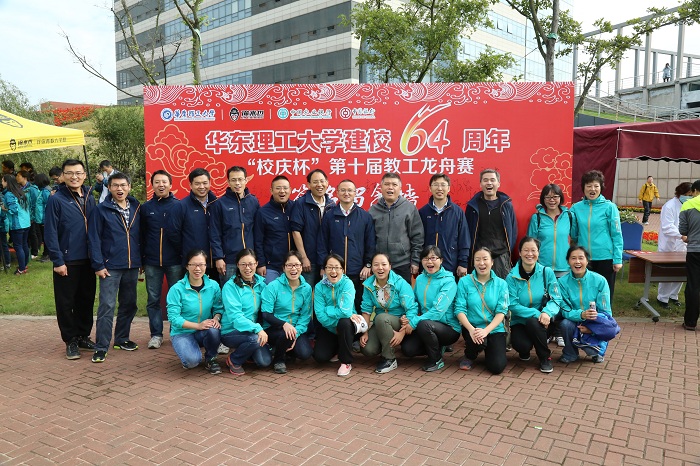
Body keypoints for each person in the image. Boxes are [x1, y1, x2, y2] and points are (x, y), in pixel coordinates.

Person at [43, 159, 96, 359]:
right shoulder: (56, 199)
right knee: (66, 302)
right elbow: (50, 232)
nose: (74, 177)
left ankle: (83, 335)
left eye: (78, 173)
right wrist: (58, 261)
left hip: (89, 259)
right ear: (63, 176)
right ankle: (70, 340)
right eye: (70, 173)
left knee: (86, 300)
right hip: (67, 260)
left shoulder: (90, 196)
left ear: (84, 175)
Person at [88, 172, 142, 363]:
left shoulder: (136, 207)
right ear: (109, 188)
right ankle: (101, 346)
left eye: (123, 185)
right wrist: (98, 264)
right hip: (110, 267)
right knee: (107, 306)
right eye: (115, 185)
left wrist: (140, 261)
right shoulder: (101, 210)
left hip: (132, 265)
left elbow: (141, 235)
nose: (120, 189)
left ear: (129, 187)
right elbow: (94, 239)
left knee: (129, 304)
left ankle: (121, 338)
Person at [317, 179, 376, 315]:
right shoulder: (329, 216)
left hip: (357, 271)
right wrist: (323, 266)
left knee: (358, 303)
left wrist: (368, 264)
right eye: (343, 190)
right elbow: (322, 243)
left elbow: (370, 243)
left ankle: (358, 328)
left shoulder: (364, 216)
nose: (346, 193)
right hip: (334, 271)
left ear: (355, 193)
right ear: (337, 193)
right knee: (334, 304)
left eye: (350, 190)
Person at [506, 237, 563, 373]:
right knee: (522, 345)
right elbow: (512, 304)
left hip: (544, 322)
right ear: (520, 252)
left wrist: (547, 312)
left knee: (533, 323)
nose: (530, 254)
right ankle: (525, 350)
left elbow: (556, 298)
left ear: (538, 252)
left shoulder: (546, 272)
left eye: (533, 250)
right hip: (520, 321)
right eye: (526, 250)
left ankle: (545, 358)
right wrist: (537, 313)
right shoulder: (511, 277)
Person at [140, 170, 183, 349]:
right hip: (151, 262)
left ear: (170, 184)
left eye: (164, 182)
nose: (161, 185)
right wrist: (141, 259)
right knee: (153, 299)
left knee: (176, 299)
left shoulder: (179, 206)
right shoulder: (146, 208)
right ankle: (156, 335)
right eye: (157, 182)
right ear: (152, 185)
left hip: (175, 262)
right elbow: (141, 235)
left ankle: (176, 332)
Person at [401, 245, 461, 372]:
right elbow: (415, 303)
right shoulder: (420, 279)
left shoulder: (449, 281)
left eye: (433, 258)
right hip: (426, 324)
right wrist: (409, 318)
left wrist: (414, 322)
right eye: (426, 258)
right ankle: (436, 346)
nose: (429, 262)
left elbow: (437, 312)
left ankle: (436, 359)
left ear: (441, 260)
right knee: (408, 349)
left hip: (448, 328)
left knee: (424, 325)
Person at [359, 252, 418, 374]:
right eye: (376, 265)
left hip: (400, 321)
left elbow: (412, 309)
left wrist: (402, 332)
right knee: (368, 349)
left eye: (384, 264)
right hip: (381, 323)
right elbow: (366, 310)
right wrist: (365, 332)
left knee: (381, 318)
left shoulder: (400, 283)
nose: (380, 268)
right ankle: (386, 342)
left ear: (390, 266)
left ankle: (389, 358)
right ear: (372, 267)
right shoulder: (368, 285)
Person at [166, 249, 223, 374]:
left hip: (204, 330)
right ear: (187, 266)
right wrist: (198, 325)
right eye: (193, 265)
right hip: (182, 333)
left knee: (214, 329)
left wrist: (216, 318)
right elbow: (174, 318)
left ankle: (211, 359)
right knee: (192, 362)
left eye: (201, 264)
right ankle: (189, 349)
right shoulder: (177, 289)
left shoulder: (213, 286)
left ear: (206, 266)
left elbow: (218, 308)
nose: (198, 269)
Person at [455, 247, 509, 374]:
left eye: (485, 259)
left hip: (494, 329)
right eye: (477, 259)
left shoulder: (501, 284)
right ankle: (470, 355)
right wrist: (471, 329)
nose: (481, 263)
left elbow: (501, 312)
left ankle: (489, 349)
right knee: (478, 340)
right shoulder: (464, 282)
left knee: (497, 367)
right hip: (473, 327)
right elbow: (459, 309)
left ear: (492, 262)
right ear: (473, 262)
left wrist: (486, 331)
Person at [570, 170, 623, 298]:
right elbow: (574, 234)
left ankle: (605, 312)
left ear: (601, 187)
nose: (592, 189)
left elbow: (616, 235)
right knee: (585, 293)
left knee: (604, 293)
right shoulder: (576, 208)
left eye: (596, 186)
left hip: (605, 258)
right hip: (584, 258)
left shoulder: (609, 207)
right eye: (589, 186)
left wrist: (617, 259)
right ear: (583, 188)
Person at [557, 246, 614, 363]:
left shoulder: (600, 280)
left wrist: (592, 328)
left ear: (587, 260)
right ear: (568, 261)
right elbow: (565, 310)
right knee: (565, 324)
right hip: (574, 319)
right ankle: (570, 353)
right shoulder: (562, 282)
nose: (577, 261)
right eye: (573, 258)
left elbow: (605, 312)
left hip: (595, 320)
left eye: (581, 258)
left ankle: (598, 351)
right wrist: (581, 315)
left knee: (608, 328)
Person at [220, 248, 271, 375]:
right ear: (237, 265)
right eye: (243, 264)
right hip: (231, 330)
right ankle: (234, 360)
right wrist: (258, 329)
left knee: (264, 362)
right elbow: (235, 317)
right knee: (254, 340)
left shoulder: (262, 284)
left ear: (256, 264)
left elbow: (266, 310)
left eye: (251, 264)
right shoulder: (230, 286)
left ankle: (248, 353)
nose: (247, 268)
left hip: (252, 330)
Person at [261, 251, 313, 374]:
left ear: (301, 267)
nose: (293, 269)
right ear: (284, 268)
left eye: (297, 265)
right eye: (289, 265)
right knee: (286, 334)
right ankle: (278, 360)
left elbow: (305, 316)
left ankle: (284, 349)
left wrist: (296, 333)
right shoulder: (273, 286)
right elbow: (266, 314)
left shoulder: (306, 288)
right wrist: (284, 324)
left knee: (305, 353)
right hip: (274, 328)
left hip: (295, 329)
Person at [313, 254, 362, 376]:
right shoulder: (319, 287)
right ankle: (338, 349)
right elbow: (320, 315)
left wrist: (327, 309)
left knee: (344, 322)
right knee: (320, 357)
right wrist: (335, 325)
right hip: (329, 327)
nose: (333, 271)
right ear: (324, 269)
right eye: (329, 267)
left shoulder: (348, 284)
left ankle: (346, 362)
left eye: (337, 267)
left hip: (348, 326)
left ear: (342, 270)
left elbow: (345, 312)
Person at [167, 168, 219, 281]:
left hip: (216, 262)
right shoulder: (181, 206)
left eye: (205, 183)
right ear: (190, 185)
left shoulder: (217, 204)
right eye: (197, 183)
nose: (202, 187)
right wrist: (186, 250)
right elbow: (173, 233)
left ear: (210, 183)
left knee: (215, 291)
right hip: (193, 264)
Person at [210, 166, 260, 284]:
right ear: (228, 182)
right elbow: (214, 233)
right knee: (229, 291)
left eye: (240, 179)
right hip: (229, 261)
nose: (237, 183)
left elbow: (259, 232)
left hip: (250, 260)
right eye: (233, 180)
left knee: (250, 291)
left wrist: (259, 259)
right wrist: (219, 257)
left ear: (246, 180)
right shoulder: (220, 204)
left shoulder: (253, 201)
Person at [465, 168, 517, 279]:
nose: (489, 183)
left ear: (498, 184)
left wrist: (506, 251)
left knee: (501, 287)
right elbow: (467, 232)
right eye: (485, 180)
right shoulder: (472, 206)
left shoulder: (506, 205)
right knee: (479, 287)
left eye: (492, 180)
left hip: (501, 257)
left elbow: (513, 231)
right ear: (480, 184)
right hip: (479, 257)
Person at [419, 173, 470, 279]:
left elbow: (464, 239)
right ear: (430, 188)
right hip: (428, 266)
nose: (439, 188)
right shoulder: (423, 212)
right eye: (436, 185)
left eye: (443, 185)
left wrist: (463, 263)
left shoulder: (457, 212)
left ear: (449, 188)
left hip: (450, 265)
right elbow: (418, 241)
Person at [291, 169, 335, 287]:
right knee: (306, 292)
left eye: (322, 181)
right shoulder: (301, 204)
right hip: (309, 261)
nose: (319, 185)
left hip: (327, 261)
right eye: (315, 182)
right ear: (308, 185)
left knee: (326, 293)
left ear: (327, 183)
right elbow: (295, 231)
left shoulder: (332, 205)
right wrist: (304, 257)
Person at [656, 182, 693, 309]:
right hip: (669, 244)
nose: (689, 197)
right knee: (667, 272)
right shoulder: (669, 206)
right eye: (688, 194)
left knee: (681, 270)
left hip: (683, 244)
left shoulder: (689, 206)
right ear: (680, 194)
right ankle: (662, 298)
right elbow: (667, 227)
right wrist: (681, 235)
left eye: (691, 195)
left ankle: (673, 295)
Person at [255, 176, 295, 284]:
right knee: (271, 292)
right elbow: (258, 240)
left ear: (290, 190)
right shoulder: (263, 212)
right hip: (271, 266)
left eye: (285, 188)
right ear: (271, 190)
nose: (282, 191)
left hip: (293, 265)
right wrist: (261, 264)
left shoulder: (296, 208)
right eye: (278, 188)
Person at [679, 180, 700, 331]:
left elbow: (683, 230)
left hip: (695, 250)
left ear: (695, 191)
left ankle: (690, 322)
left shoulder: (688, 205)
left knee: (693, 285)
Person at [1, 174, 30, 275]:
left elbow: (13, 210)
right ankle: (24, 265)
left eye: (2, 181)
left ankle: (21, 269)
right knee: (24, 244)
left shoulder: (9, 194)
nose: (1, 183)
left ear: (7, 182)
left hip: (17, 224)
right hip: (26, 222)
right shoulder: (20, 191)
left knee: (18, 246)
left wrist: (4, 209)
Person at [16, 170, 40, 259]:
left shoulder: (32, 189)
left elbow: (34, 204)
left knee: (32, 233)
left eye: (18, 176)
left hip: (30, 215)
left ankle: (35, 251)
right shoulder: (19, 188)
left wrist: (32, 217)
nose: (17, 178)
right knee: (27, 235)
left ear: (24, 177)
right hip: (23, 215)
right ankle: (28, 251)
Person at [33, 173, 52, 262]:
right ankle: (45, 253)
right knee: (43, 237)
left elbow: (48, 206)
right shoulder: (41, 191)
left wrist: (45, 219)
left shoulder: (45, 192)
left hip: (44, 219)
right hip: (40, 219)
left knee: (46, 237)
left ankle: (48, 254)